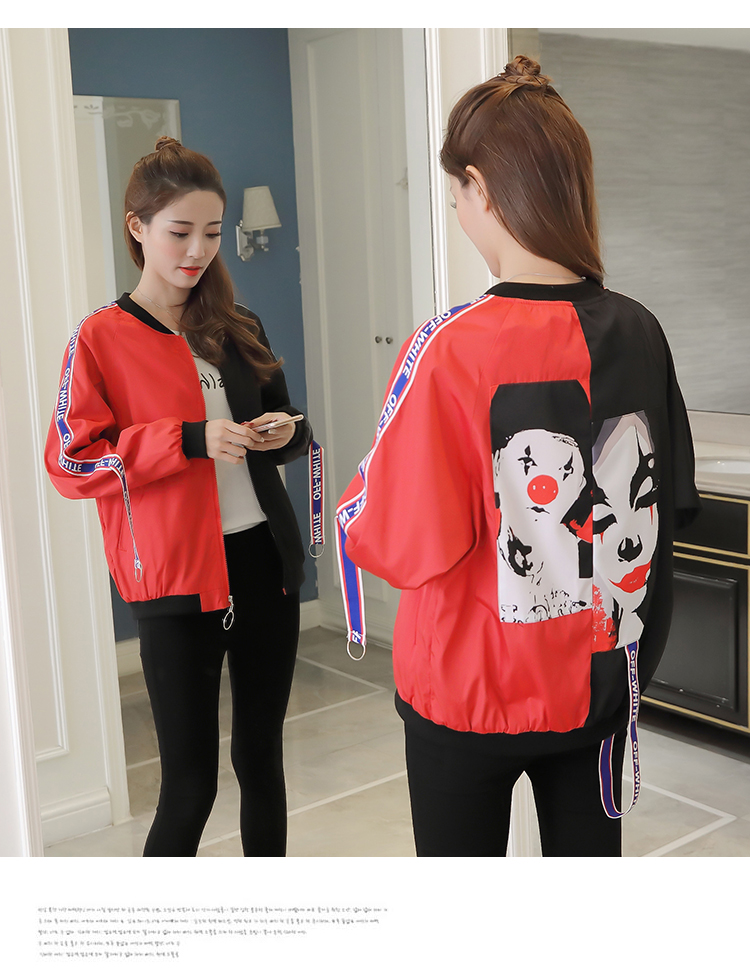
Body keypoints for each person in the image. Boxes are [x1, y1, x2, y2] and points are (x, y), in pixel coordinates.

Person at [336, 56, 701, 857]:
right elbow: (667, 509)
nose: (461, 212)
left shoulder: (448, 347)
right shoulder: (642, 330)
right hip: (603, 682)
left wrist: (352, 497)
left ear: (481, 188)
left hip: (469, 692)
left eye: (456, 197)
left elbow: (399, 540)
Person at [45, 137, 312, 857]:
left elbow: (291, 425)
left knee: (263, 764)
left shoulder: (237, 323)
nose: (198, 251)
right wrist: (187, 440)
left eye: (212, 233)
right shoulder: (100, 339)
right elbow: (71, 462)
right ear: (138, 227)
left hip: (265, 564)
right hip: (175, 581)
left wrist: (286, 430)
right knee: (190, 787)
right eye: (180, 231)